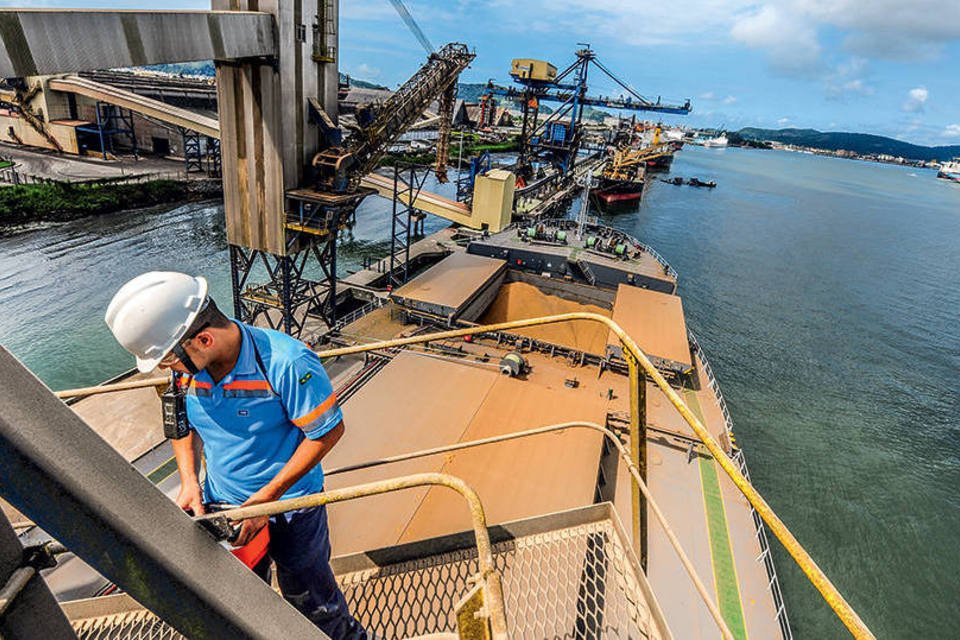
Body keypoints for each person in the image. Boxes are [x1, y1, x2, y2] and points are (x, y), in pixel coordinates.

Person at [105, 271, 366, 639]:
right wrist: (190, 482)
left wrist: (265, 501)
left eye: (168, 361)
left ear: (203, 339)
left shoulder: (286, 363)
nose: (169, 371)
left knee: (314, 608)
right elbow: (181, 424)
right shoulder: (186, 374)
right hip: (224, 506)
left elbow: (326, 432)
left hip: (291, 508)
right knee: (242, 603)